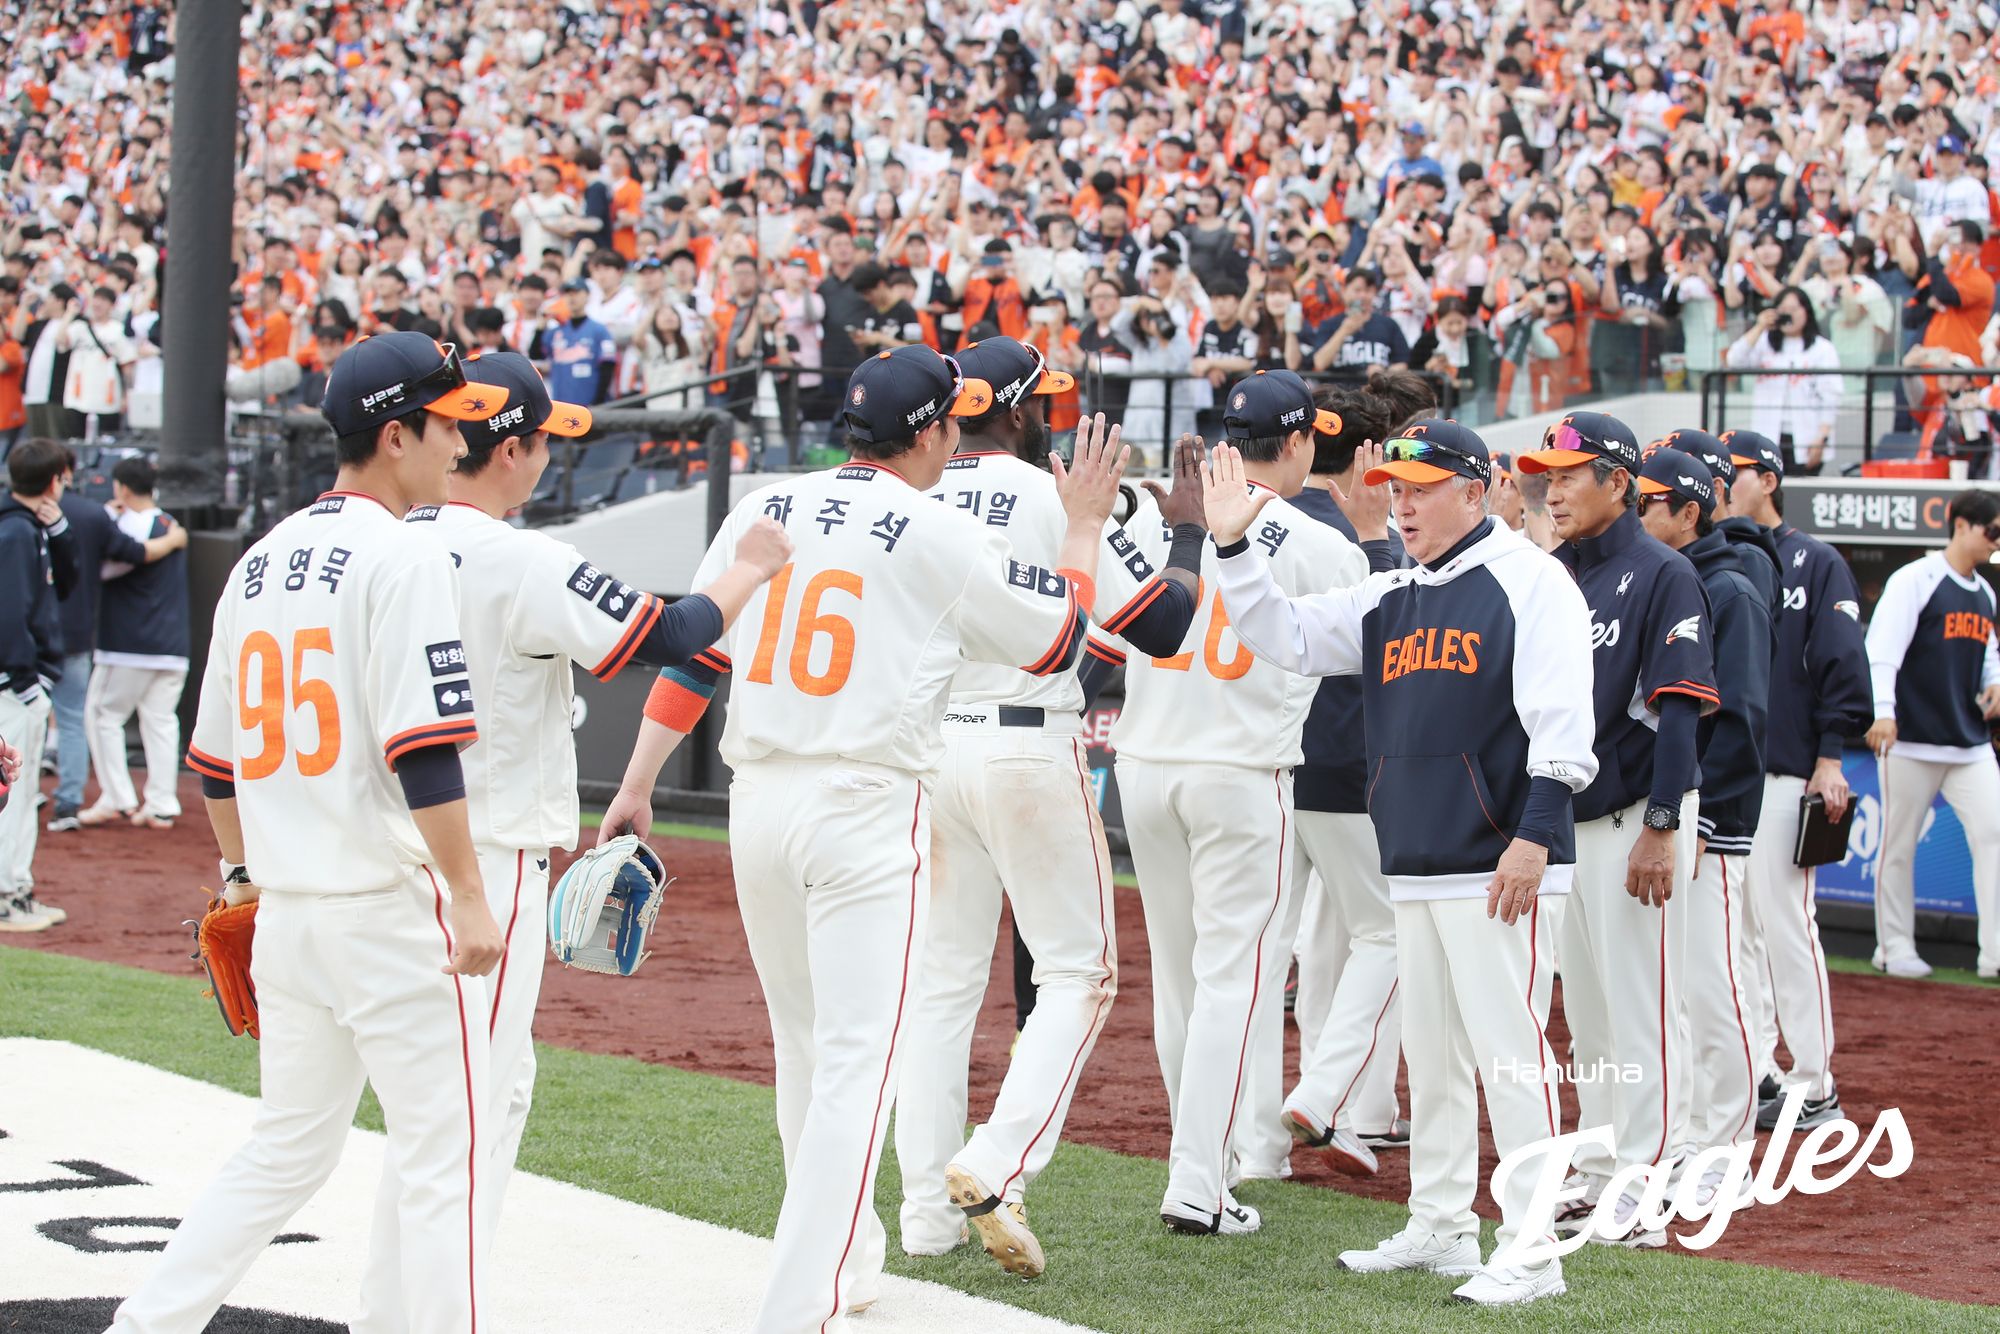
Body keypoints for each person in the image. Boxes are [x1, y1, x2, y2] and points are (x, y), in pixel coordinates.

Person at [595, 343, 1123, 1331]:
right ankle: (804, 1296)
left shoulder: (767, 503)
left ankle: (847, 1263)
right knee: (851, 1061)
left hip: (758, 799)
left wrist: (635, 781)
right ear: (931, 432)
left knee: (807, 1053)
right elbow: (1059, 640)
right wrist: (1083, 528)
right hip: (862, 803)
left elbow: (697, 652)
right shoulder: (931, 527)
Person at [357, 351, 791, 1319]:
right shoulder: (518, 556)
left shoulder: (382, 543)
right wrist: (750, 568)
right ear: (508, 449)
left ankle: (389, 1308)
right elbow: (671, 634)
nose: (549, 459)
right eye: (545, 441)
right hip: (486, 855)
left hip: (378, 851)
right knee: (470, 1112)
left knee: (441, 1106)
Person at [109, 331, 511, 1334]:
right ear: (392, 433)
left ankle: (144, 1324)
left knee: (284, 1146)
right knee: (443, 1156)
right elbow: (426, 749)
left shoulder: (256, 561)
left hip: (291, 912)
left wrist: (242, 873)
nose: (456, 449)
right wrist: (468, 889)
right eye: (444, 426)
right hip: (387, 911)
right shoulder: (402, 554)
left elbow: (212, 764)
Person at [1206, 418, 1596, 1307]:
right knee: (1436, 1054)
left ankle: (1533, 1248)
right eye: (1396, 487)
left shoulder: (1530, 582)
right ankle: (1444, 1223)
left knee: (1511, 1055)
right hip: (1416, 860)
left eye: (1422, 487)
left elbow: (1562, 726)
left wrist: (1535, 837)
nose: (1402, 502)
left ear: (1474, 488)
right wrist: (1231, 545)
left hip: (1502, 858)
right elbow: (1285, 633)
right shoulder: (1392, 594)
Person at [893, 336, 1202, 1278]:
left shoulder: (915, 492)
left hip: (928, 746)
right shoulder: (1050, 494)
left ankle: (921, 1217)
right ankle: (994, 1161)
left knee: (940, 985)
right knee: (1079, 974)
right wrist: (1184, 530)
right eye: (1045, 403)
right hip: (1025, 740)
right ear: (1022, 409)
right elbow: (1162, 626)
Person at [1106, 370, 1367, 1236]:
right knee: (1234, 984)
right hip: (1243, 772)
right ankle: (1197, 1178)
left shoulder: (1165, 515)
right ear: (1297, 445)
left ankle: (1201, 1164)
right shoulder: (1327, 545)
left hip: (1144, 762)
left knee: (1182, 985)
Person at [1516, 412, 1717, 1248]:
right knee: (1592, 1018)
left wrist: (1664, 826)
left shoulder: (1662, 572)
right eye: (1546, 476)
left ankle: (1647, 1181)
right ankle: (1603, 1170)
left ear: (1619, 481)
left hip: (1643, 811)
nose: (1552, 489)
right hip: (1575, 818)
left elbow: (1680, 712)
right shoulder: (1553, 572)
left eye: (1569, 474)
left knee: (1642, 1010)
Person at [1267, 386, 1408, 1182]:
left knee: (1301, 950)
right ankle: (1336, 1101)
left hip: (1277, 763)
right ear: (1366, 459)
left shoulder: (1263, 524)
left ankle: (1300, 1124)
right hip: (1352, 767)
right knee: (1385, 939)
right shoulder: (1370, 543)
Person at [1633, 447, 1774, 1207]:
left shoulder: (1730, 586)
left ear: (1690, 511)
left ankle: (1730, 1152)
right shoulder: (1669, 576)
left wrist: (1709, 819)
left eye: (1650, 501)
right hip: (1672, 811)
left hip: (1708, 819)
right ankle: (1688, 1137)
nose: (1638, 512)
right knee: (1677, 991)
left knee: (1714, 986)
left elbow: (1742, 715)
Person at [1721, 430, 1871, 1130]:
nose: (1723, 479)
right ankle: (1762, 1074)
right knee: (1741, 936)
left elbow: (1842, 659)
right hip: (1735, 776)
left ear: (1769, 479)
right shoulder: (1718, 559)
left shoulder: (1815, 559)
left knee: (1788, 928)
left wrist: (1832, 754)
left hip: (1789, 770)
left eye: (1736, 470)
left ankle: (1817, 1082)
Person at [1863, 490, 2000, 981]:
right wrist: (1883, 712)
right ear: (1962, 525)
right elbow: (1882, 651)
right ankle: (1893, 947)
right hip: (1910, 738)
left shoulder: (1985, 593)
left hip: (1968, 741)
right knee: (1897, 847)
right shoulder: (1915, 579)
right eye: (1993, 531)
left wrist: (1994, 683)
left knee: (1995, 835)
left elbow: (1988, 654)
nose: (1995, 541)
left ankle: (1995, 953)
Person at [44, 448, 189, 834]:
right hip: (172, 645)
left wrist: (107, 518)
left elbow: (105, 565)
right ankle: (160, 803)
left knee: (102, 715)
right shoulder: (168, 521)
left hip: (131, 644)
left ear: (122, 487)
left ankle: (117, 797)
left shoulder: (132, 525)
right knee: (160, 721)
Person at [0, 439, 71, 932]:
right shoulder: (15, 532)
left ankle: (15, 890)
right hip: (12, 684)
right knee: (13, 793)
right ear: (52, 481)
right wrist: (26, 679)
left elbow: (63, 587)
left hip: (18, 679)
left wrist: (60, 532)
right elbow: (10, 613)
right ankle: (8, 897)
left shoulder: (31, 528)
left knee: (21, 795)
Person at [1721, 288, 1843, 475]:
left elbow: (1831, 395)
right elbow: (1734, 360)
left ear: (1807, 312)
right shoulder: (1763, 343)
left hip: (1807, 436)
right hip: (1769, 436)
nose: (1788, 314)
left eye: (1794, 308)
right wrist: (1759, 326)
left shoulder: (1822, 349)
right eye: (1783, 308)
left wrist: (1822, 438)